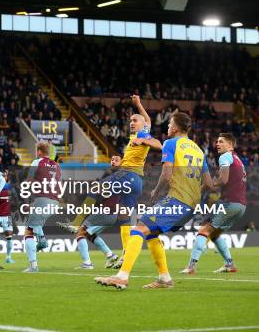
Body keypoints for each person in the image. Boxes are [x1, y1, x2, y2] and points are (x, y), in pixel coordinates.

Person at [96, 112, 212, 290]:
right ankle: (164, 278)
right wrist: (194, 196)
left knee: (138, 229)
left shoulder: (170, 143)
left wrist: (156, 193)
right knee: (150, 234)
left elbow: (166, 176)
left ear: (174, 128)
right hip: (192, 205)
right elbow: (208, 184)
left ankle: (122, 276)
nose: (167, 127)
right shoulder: (198, 149)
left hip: (177, 199)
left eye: (169, 124)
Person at [58, 95, 162, 269]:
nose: (131, 122)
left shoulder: (142, 135)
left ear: (142, 124)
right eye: (130, 120)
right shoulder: (138, 135)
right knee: (124, 217)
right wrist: (138, 104)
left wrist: (143, 140)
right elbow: (148, 120)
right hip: (135, 181)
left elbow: (159, 144)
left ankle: (76, 223)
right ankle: (125, 255)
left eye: (135, 120)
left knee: (97, 187)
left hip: (128, 175)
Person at [181, 133, 247, 274]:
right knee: (214, 234)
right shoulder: (237, 159)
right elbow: (225, 181)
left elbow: (223, 180)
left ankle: (191, 266)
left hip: (230, 203)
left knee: (203, 230)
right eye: (216, 141)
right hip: (241, 206)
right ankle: (230, 264)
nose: (217, 144)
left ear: (230, 145)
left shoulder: (225, 156)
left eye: (221, 142)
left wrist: (207, 184)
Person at [23, 142, 61, 273]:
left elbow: (28, 181)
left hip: (42, 200)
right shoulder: (56, 165)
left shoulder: (37, 162)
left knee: (28, 231)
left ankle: (33, 266)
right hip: (55, 202)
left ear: (39, 151)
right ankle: (42, 238)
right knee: (35, 225)